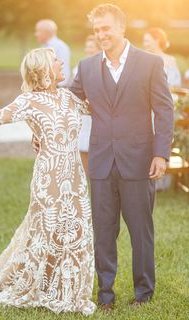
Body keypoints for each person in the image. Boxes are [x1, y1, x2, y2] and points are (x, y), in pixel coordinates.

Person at [0, 48, 95, 316]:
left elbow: (98, 109)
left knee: (76, 230)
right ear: (44, 68)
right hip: (49, 177)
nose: (61, 63)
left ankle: (71, 285)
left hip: (75, 175)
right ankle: (44, 284)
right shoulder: (28, 101)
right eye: (56, 61)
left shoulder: (69, 97)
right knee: (48, 230)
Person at [70, 3, 174, 312]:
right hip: (101, 161)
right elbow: (68, 102)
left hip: (139, 160)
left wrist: (160, 153)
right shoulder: (86, 67)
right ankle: (105, 294)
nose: (101, 34)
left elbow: (165, 111)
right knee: (103, 230)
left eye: (106, 28)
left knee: (140, 231)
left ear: (121, 28)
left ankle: (143, 292)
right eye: (96, 30)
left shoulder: (150, 64)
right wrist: (40, 121)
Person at [143, 27, 180, 191]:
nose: (144, 44)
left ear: (157, 41)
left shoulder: (170, 60)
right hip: (145, 107)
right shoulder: (144, 59)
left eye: (147, 41)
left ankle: (163, 179)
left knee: (162, 136)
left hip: (163, 104)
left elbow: (174, 85)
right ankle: (148, 174)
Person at [73, 35, 101, 176]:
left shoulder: (102, 66)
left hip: (96, 114)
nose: (88, 50)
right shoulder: (81, 64)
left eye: (91, 47)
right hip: (83, 114)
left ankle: (96, 174)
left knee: (95, 146)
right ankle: (83, 175)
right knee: (82, 145)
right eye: (87, 46)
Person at [34, 19, 70, 87]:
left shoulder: (60, 47)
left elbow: (64, 70)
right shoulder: (44, 46)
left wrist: (57, 87)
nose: (35, 34)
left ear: (47, 32)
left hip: (56, 87)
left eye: (38, 31)